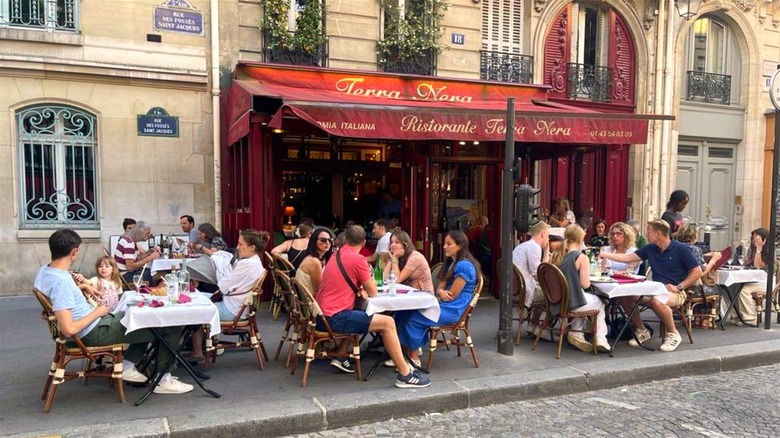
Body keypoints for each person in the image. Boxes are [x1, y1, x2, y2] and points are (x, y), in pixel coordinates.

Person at [35, 230, 193, 394]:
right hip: (94, 331)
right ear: (74, 252)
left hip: (96, 326)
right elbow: (69, 328)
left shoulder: (45, 271)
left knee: (143, 315)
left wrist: (84, 286)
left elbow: (63, 296)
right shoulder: (61, 282)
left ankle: (128, 365)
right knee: (170, 325)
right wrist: (98, 311)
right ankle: (163, 379)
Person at [315, 225, 430, 388]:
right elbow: (374, 291)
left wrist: (362, 290)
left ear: (345, 239)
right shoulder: (358, 259)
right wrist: (365, 290)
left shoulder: (336, 255)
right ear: (363, 243)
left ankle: (342, 354)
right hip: (335, 317)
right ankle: (405, 374)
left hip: (322, 315)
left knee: (366, 311)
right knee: (387, 322)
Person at [599, 220, 702, 352]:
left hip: (675, 292)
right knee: (625, 296)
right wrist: (603, 253)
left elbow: (697, 271)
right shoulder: (651, 248)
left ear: (658, 233)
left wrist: (679, 287)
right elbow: (627, 258)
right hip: (654, 290)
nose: (646, 235)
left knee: (657, 301)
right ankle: (641, 329)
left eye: (649, 232)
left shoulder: (681, 249)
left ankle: (673, 334)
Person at [396, 230, 481, 367]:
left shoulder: (464, 265)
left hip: (454, 310)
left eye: (449, 244)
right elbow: (440, 289)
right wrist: (441, 291)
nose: (444, 246)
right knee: (404, 312)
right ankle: (401, 353)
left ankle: (413, 358)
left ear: (459, 246)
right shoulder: (451, 263)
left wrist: (441, 292)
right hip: (446, 306)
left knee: (413, 317)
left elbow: (451, 296)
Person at [189, 229, 270, 361]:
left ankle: (197, 351)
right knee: (194, 297)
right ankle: (199, 345)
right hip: (238, 306)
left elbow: (223, 286)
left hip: (232, 310)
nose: (237, 247)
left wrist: (221, 271)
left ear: (252, 247)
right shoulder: (255, 261)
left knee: (195, 309)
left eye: (240, 244)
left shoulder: (247, 264)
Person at [553, 225, 610, 352]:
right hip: (571, 302)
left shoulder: (558, 255)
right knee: (600, 303)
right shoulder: (581, 257)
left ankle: (577, 333)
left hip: (558, 300)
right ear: (580, 240)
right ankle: (600, 339)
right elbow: (585, 285)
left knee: (585, 300)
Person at [677, 223, 722, 328]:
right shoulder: (695, 249)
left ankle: (697, 317)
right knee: (715, 289)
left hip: (679, 284)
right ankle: (706, 319)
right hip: (691, 289)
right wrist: (713, 260)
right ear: (693, 235)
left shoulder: (675, 247)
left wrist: (703, 256)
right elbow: (701, 272)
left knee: (701, 286)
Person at [732, 228, 774, 326]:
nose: (754, 240)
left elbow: (758, 266)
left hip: (766, 282)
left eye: (756, 238)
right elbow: (747, 263)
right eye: (753, 238)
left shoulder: (768, 250)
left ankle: (750, 317)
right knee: (731, 286)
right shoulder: (752, 249)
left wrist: (759, 249)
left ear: (764, 239)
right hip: (753, 280)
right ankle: (736, 315)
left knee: (744, 290)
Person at [512, 221, 550, 310]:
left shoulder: (523, 246)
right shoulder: (535, 247)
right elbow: (538, 275)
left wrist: (545, 251)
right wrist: (546, 252)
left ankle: (534, 323)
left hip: (515, 289)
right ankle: (535, 323)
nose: (548, 239)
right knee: (553, 294)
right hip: (525, 290)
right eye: (548, 235)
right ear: (543, 233)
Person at [185, 223, 230, 288]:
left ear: (206, 233)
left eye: (200, 234)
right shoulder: (212, 241)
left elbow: (213, 254)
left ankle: (196, 286)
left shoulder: (217, 240)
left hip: (218, 268)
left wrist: (201, 247)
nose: (199, 236)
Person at [295, 227, 335, 294]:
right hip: (308, 302)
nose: (327, 242)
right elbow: (320, 289)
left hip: (303, 298)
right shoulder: (314, 262)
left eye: (330, 240)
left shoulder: (313, 258)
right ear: (314, 242)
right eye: (323, 240)